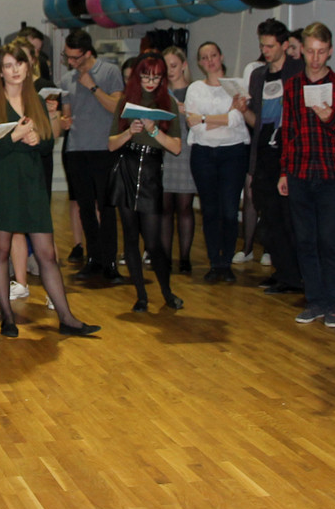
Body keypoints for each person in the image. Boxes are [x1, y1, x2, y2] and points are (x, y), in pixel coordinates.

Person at [0, 42, 98, 338]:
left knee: (47, 253)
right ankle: (7, 317)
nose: (14, 70)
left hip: (31, 183)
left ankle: (67, 318)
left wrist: (37, 140)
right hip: (2, 183)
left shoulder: (36, 101)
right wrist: (14, 137)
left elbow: (47, 143)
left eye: (19, 64)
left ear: (28, 67)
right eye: (8, 65)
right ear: (0, 72)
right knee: (1, 251)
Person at [278, 22, 335, 326]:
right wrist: (284, 171)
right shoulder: (293, 85)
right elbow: (288, 131)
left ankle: (332, 303)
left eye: (321, 52)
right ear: (302, 52)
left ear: (330, 51)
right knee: (305, 241)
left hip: (331, 174)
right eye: (310, 51)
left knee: (328, 241)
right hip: (299, 171)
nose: (315, 58)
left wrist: (330, 118)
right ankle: (314, 300)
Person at [107, 55, 185, 313]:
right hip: (127, 167)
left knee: (153, 242)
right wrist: (130, 131)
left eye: (156, 77)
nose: (151, 82)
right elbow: (111, 144)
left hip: (151, 169)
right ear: (137, 76)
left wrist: (153, 130)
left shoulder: (168, 103)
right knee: (130, 238)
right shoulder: (125, 102)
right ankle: (141, 296)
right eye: (145, 76)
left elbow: (176, 147)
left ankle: (167, 291)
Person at [60, 30, 125, 282]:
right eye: (67, 56)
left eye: (74, 57)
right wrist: (63, 120)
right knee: (85, 208)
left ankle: (110, 263)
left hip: (103, 148)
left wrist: (93, 87)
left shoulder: (109, 72)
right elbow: (67, 114)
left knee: (106, 208)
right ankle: (93, 259)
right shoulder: (66, 79)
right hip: (76, 149)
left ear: (88, 53)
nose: (70, 62)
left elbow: (117, 107)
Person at [245, 18, 303, 294]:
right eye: (262, 46)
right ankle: (282, 271)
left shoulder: (297, 71)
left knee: (289, 217)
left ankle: (295, 275)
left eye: (270, 46)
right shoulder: (258, 76)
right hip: (264, 153)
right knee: (268, 215)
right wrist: (242, 110)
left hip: (288, 152)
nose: (265, 51)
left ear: (284, 45)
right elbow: (256, 122)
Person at [184, 41, 250, 282]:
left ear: (221, 57)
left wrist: (204, 118)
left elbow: (237, 120)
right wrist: (224, 116)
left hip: (234, 153)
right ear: (200, 63)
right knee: (210, 210)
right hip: (203, 154)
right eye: (204, 57)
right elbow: (194, 127)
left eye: (213, 55)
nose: (209, 60)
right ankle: (214, 262)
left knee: (230, 211)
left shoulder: (237, 86)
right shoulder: (195, 89)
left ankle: (227, 262)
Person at [159, 46, 197, 275]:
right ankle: (165, 257)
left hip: (187, 150)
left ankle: (185, 257)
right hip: (165, 150)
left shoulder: (195, 91)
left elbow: (203, 121)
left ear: (184, 65)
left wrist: (186, 112)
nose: (170, 71)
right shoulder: (161, 94)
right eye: (166, 67)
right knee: (165, 207)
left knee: (184, 206)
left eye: (174, 66)